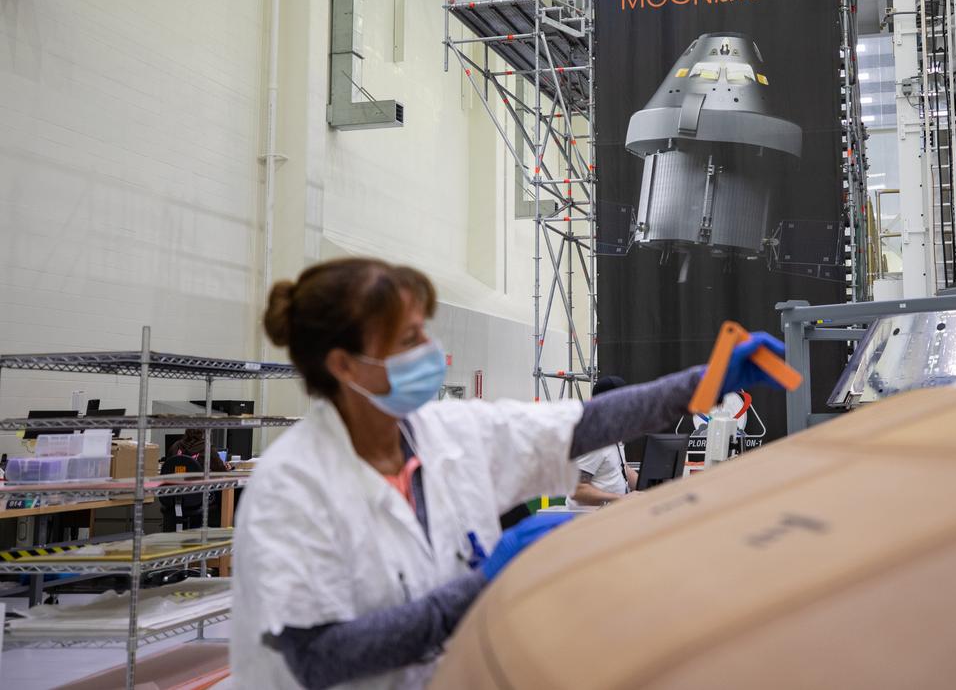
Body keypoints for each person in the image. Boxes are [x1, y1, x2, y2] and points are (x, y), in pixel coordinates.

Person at [230, 257, 786, 689]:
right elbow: (321, 658)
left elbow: (583, 424)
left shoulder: (448, 432)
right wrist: (485, 584)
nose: (431, 350)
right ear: (343, 365)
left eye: (425, 331)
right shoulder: (292, 487)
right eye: (408, 341)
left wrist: (701, 382)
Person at [567, 376, 637, 509]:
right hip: (590, 522)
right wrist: (621, 499)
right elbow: (576, 490)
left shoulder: (612, 434)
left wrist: (652, 487)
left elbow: (622, 468)